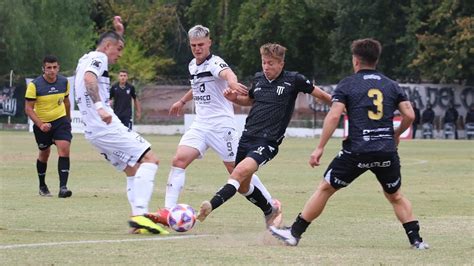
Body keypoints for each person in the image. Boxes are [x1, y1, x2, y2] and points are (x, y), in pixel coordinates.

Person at [269, 38, 429, 249]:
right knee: (395, 195)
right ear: (376, 60)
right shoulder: (391, 85)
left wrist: (320, 148)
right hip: (386, 151)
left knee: (326, 188)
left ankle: (294, 233)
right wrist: (396, 135)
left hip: (357, 151)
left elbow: (334, 117)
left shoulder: (348, 84)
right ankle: (416, 241)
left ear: (355, 60)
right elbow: (409, 114)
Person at [150, 25, 277, 226]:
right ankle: (168, 212)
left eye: (201, 44)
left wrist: (233, 83)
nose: (197, 48)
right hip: (200, 124)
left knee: (238, 172)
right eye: (193, 45)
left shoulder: (215, 62)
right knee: (178, 160)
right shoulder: (193, 65)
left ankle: (271, 203)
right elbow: (196, 86)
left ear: (209, 42)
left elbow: (227, 74)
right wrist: (182, 101)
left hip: (221, 126)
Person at [196, 43, 332, 229]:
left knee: (239, 172)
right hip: (247, 137)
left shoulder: (294, 80)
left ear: (281, 64)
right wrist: (235, 99)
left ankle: (211, 205)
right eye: (264, 63)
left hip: (267, 141)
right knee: (243, 186)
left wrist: (340, 106)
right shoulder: (259, 79)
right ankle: (270, 209)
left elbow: (322, 95)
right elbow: (249, 100)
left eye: (271, 63)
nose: (266, 67)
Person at [74, 16, 168, 234]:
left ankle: (137, 221)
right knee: (150, 159)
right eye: (119, 49)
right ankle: (142, 215)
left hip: (93, 131)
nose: (120, 55)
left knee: (132, 170)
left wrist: (119, 34)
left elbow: (105, 50)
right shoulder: (100, 58)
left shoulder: (87, 57)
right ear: (107, 47)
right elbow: (90, 79)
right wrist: (100, 106)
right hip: (104, 124)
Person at [25, 55, 73, 198]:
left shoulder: (64, 82)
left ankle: (63, 188)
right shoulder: (34, 85)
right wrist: (40, 124)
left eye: (54, 67)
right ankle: (42, 186)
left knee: (64, 149)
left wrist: (68, 119)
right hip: (42, 124)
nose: (52, 71)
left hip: (61, 121)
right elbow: (28, 108)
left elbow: (67, 102)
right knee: (44, 154)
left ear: (58, 68)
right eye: (49, 68)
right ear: (43, 69)